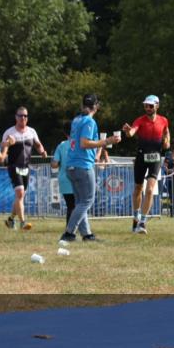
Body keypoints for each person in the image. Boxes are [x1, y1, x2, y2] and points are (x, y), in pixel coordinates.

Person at [59, 94, 121, 245]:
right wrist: (107, 141)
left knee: (80, 202)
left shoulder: (76, 120)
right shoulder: (89, 121)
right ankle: (68, 233)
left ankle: (86, 234)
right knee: (87, 201)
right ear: (96, 106)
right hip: (83, 166)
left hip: (71, 165)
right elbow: (84, 143)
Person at [121, 95, 170, 234]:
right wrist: (128, 131)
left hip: (155, 158)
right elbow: (132, 132)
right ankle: (135, 218)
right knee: (138, 188)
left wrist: (167, 140)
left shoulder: (163, 120)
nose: (147, 108)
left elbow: (166, 132)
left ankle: (143, 222)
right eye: (145, 106)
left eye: (150, 105)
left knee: (149, 190)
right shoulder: (140, 120)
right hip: (141, 157)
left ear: (157, 106)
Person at [1, 107, 46, 231]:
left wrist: (42, 152)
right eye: (20, 116)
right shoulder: (9, 132)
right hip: (13, 166)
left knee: (20, 197)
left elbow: (38, 144)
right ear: (16, 117)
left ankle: (11, 219)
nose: (23, 118)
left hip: (26, 166)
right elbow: (1, 147)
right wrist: (8, 143)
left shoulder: (31, 131)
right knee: (20, 193)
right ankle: (22, 223)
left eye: (25, 116)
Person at [51, 135, 75, 226]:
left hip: (65, 179)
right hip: (79, 178)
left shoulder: (61, 145)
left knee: (70, 206)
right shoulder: (82, 143)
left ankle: (69, 229)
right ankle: (74, 229)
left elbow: (54, 164)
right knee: (79, 206)